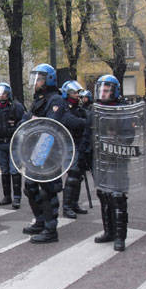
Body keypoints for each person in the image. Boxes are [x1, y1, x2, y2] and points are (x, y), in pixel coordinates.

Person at [21, 64, 70, 243]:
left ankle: (51, 229)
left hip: (49, 152)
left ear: (48, 80)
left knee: (47, 191)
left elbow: (51, 124)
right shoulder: (38, 100)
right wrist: (32, 120)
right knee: (30, 187)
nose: (36, 82)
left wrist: (34, 121)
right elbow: (24, 120)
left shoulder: (55, 100)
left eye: (39, 78)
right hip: (35, 151)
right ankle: (40, 221)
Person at [93, 75, 134, 251]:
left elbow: (129, 137)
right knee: (104, 195)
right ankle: (108, 231)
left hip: (117, 159)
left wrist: (114, 136)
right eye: (102, 89)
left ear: (115, 91)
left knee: (117, 197)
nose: (104, 93)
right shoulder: (95, 109)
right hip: (100, 159)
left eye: (107, 89)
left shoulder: (123, 110)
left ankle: (120, 237)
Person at [0, 82, 24, 208]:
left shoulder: (17, 107)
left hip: (13, 143)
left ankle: (17, 197)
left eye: (4, 94)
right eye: (0, 94)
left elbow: (23, 122)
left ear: (8, 94)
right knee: (5, 171)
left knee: (14, 170)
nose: (1, 96)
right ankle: (7, 196)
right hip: (0, 144)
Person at [60, 80, 89, 219]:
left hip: (80, 144)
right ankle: (67, 207)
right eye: (74, 92)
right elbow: (70, 121)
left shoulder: (79, 108)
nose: (77, 95)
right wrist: (86, 123)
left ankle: (74, 203)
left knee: (79, 176)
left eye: (78, 92)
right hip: (69, 145)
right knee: (73, 175)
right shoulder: (64, 107)